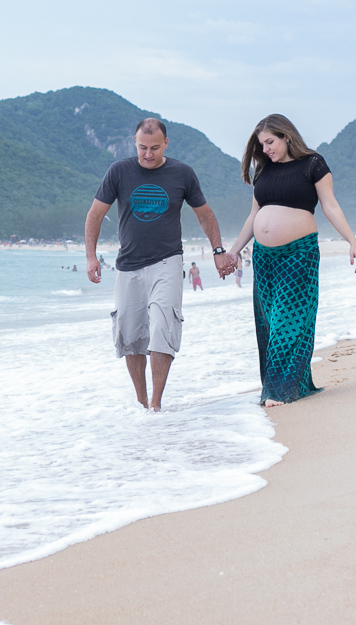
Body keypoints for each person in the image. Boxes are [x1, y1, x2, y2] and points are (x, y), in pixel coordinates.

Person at [85, 118, 233, 412]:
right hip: (128, 266)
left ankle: (155, 404)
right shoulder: (119, 172)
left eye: (154, 148)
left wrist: (218, 250)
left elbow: (205, 215)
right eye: (142, 148)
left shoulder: (182, 173)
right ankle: (141, 401)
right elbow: (95, 215)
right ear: (134, 143)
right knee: (130, 336)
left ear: (166, 143)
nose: (148, 154)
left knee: (162, 328)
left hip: (167, 261)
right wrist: (91, 256)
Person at [226, 114, 356, 407]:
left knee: (289, 320)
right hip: (264, 258)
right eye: (262, 145)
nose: (265, 149)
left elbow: (331, 206)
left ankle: (278, 391)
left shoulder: (313, 164)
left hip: (299, 254)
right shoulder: (263, 172)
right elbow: (254, 216)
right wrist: (234, 250)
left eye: (270, 142)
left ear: (286, 136)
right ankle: (285, 385)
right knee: (270, 322)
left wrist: (352, 241)